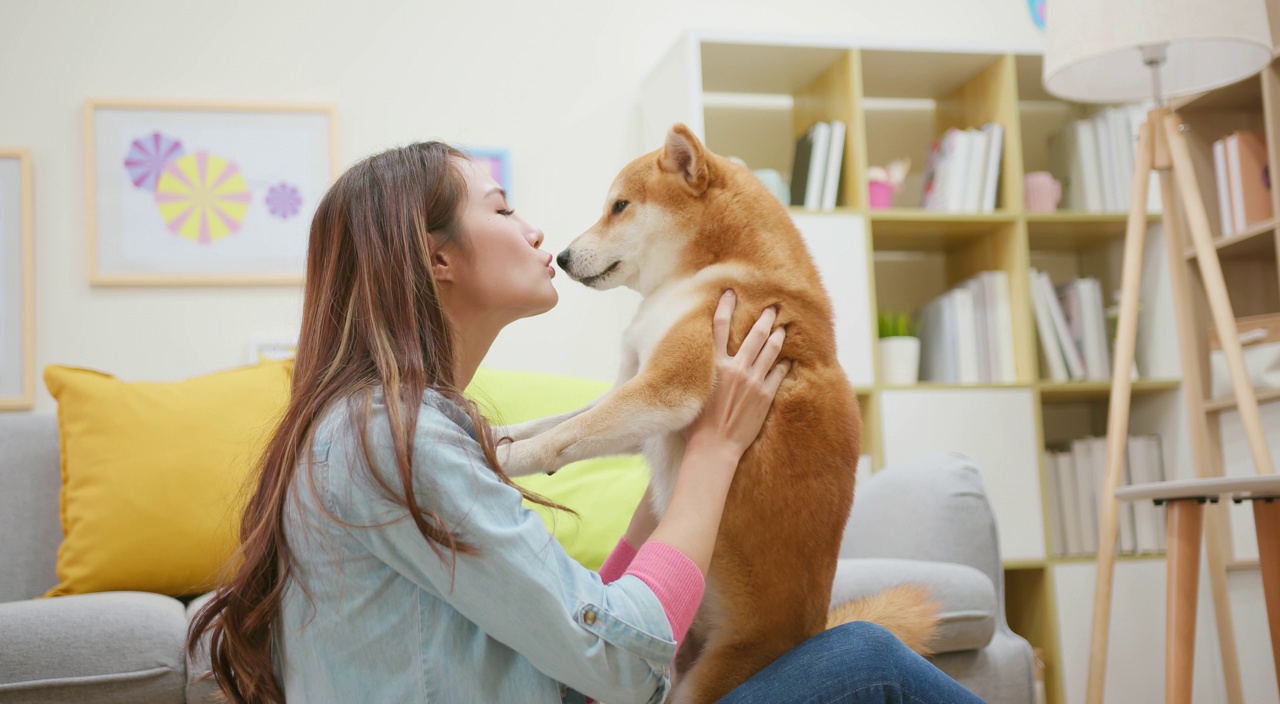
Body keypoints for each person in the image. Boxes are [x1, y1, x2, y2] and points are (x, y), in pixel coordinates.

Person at [187, 141, 985, 704]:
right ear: (438, 260)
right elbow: (613, 658)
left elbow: (567, 628)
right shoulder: (400, 443)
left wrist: (667, 498)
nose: (539, 231)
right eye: (503, 208)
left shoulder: (384, 427)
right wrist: (710, 453)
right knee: (867, 659)